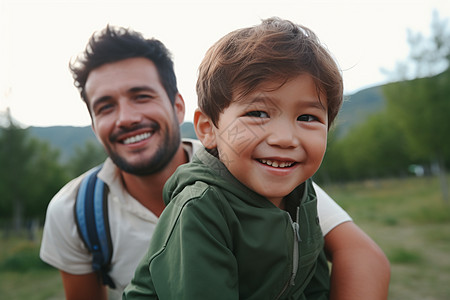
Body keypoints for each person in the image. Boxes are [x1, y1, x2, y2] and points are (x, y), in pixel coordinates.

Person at [40, 24, 390, 300]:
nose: (127, 117)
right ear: (209, 127)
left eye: (141, 96)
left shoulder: (277, 175)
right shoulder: (76, 210)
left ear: (178, 108)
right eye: (105, 106)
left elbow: (349, 262)